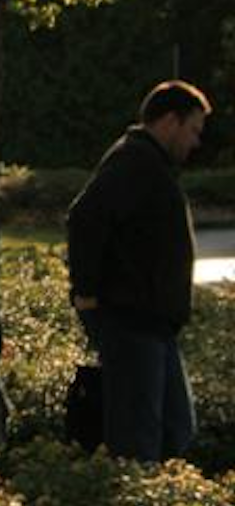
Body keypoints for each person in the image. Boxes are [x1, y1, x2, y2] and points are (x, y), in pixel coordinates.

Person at [66, 80, 211, 461]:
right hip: (130, 320)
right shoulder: (132, 161)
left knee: (175, 427)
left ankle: (154, 503)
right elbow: (85, 218)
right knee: (139, 435)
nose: (195, 143)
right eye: (193, 130)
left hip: (153, 322)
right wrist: (86, 292)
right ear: (169, 121)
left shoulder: (149, 164)